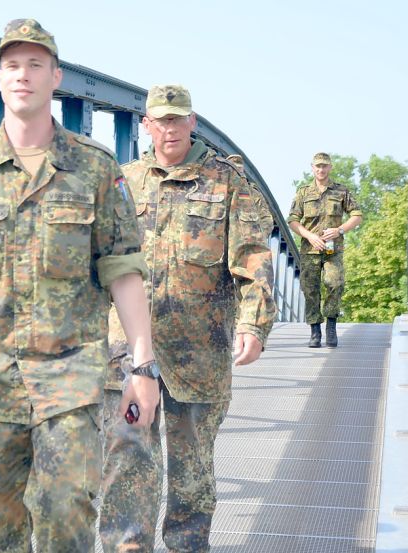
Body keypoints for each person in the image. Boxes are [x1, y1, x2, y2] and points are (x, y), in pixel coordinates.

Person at [0, 18, 161, 553]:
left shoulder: (93, 168)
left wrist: (142, 365)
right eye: (13, 65)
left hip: (69, 374)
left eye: (35, 65)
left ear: (55, 77)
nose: (23, 75)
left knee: (68, 509)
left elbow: (124, 271)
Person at [99, 85, 276, 553]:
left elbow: (254, 257)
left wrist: (253, 325)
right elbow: (98, 262)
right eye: (161, 120)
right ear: (147, 125)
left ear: (192, 122)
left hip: (199, 354)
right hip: (127, 356)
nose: (170, 128)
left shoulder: (227, 181)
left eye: (178, 119)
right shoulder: (124, 181)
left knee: (191, 475)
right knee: (127, 462)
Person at [287, 152, 363, 347]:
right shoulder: (303, 192)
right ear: (312, 168)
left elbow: (357, 215)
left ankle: (331, 325)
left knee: (335, 283)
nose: (321, 170)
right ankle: (315, 330)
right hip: (310, 249)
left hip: (333, 249)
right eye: (318, 166)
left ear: (330, 168)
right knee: (310, 289)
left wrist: (340, 230)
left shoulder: (341, 191)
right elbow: (293, 221)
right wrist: (309, 235)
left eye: (325, 166)